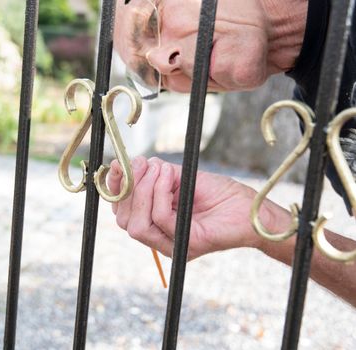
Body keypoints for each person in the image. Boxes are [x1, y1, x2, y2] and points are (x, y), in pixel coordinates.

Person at [109, 0, 356, 307]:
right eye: (150, 76)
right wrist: (264, 225)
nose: (162, 62)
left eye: (152, 22)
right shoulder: (319, 118)